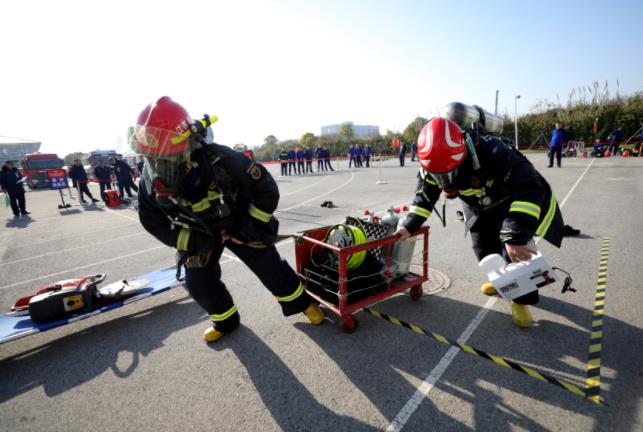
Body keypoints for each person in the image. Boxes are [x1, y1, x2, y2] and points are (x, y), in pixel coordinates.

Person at [130, 96, 324, 343]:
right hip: (199, 235)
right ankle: (225, 320)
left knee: (271, 268)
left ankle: (303, 304)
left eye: (167, 157)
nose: (160, 164)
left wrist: (250, 227)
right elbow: (151, 221)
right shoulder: (149, 181)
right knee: (199, 283)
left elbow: (266, 189)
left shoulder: (220, 159)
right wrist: (194, 242)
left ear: (190, 142)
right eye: (154, 157)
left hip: (240, 225)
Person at [395, 117, 566, 328]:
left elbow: (530, 188)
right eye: (438, 176)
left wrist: (515, 236)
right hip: (477, 206)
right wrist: (409, 225)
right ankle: (502, 282)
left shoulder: (494, 151)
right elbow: (425, 196)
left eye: (449, 174)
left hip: (508, 203)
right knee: (484, 250)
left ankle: (520, 301)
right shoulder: (430, 164)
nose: (444, 183)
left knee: (514, 253)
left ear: (463, 154)